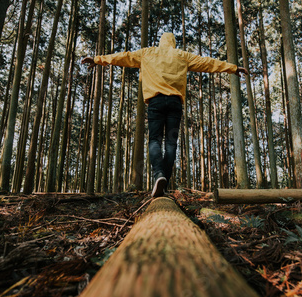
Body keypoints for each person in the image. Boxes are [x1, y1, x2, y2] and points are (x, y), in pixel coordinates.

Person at [82, 32, 248, 197]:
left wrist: (98, 59)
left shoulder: (147, 53)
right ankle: (164, 183)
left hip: (156, 103)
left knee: (155, 140)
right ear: (173, 42)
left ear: (161, 41)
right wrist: (232, 68)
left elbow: (123, 57)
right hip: (175, 104)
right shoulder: (182, 55)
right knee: (171, 143)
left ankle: (159, 176)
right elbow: (208, 63)